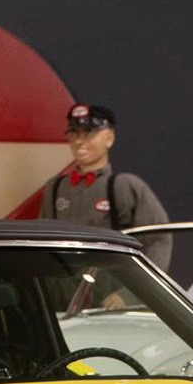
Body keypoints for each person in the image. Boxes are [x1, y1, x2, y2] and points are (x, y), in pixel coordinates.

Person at [39, 103, 172, 270]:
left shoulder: (125, 186)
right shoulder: (56, 188)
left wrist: (130, 293)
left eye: (88, 133)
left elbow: (157, 240)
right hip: (64, 281)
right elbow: (43, 241)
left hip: (112, 283)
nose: (79, 141)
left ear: (109, 138)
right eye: (74, 134)